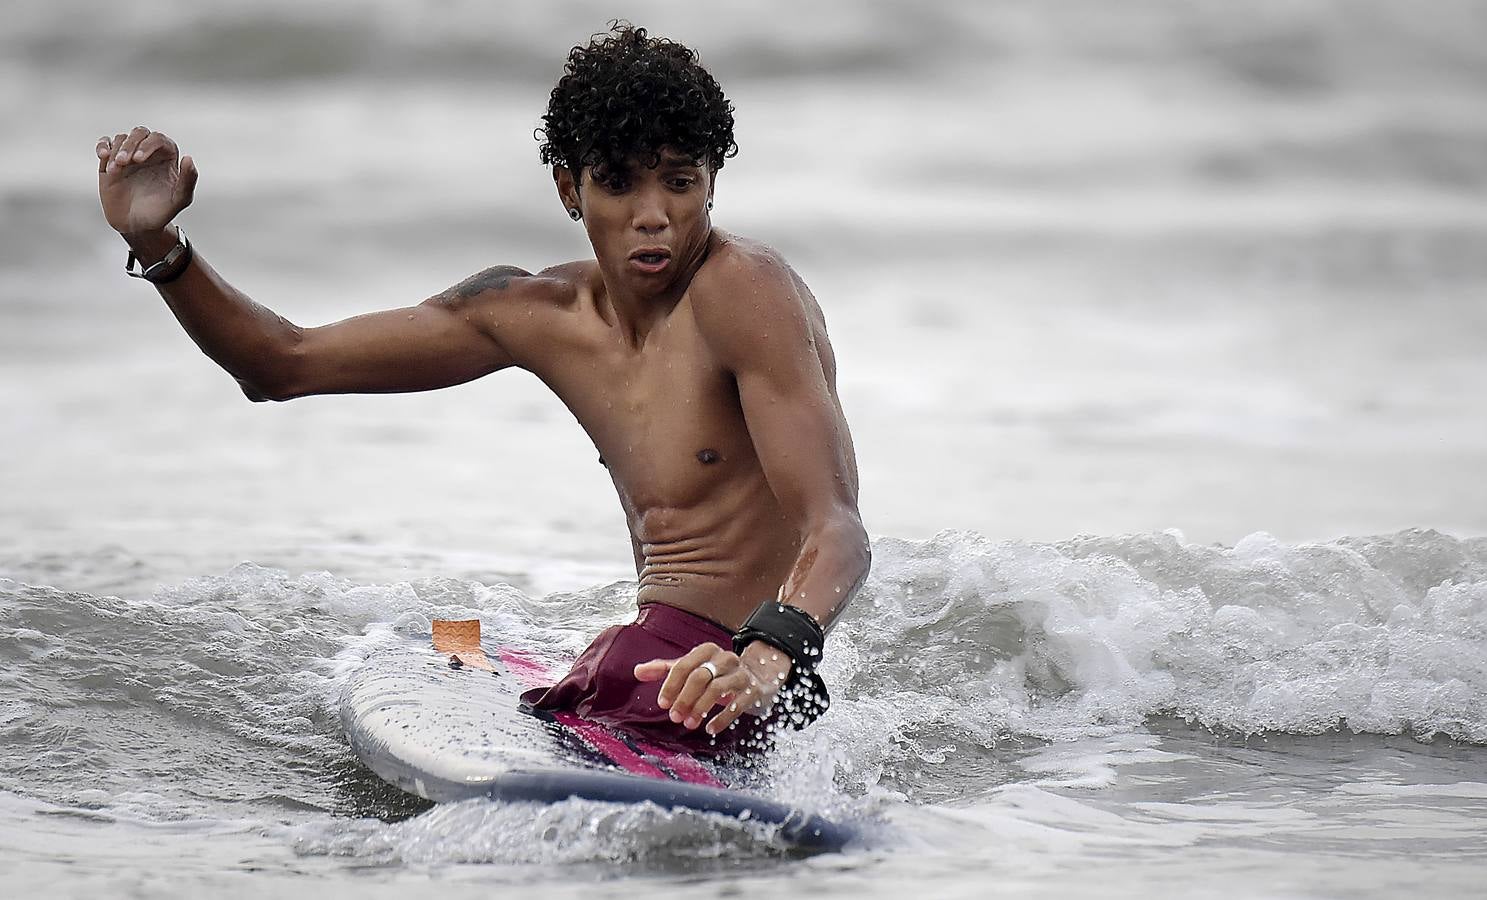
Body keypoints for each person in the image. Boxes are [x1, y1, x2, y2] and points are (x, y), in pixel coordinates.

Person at [94, 23, 869, 755]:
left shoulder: (743, 292)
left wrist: (768, 657)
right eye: (617, 183)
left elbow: (835, 530)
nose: (652, 217)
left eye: (678, 182)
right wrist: (156, 243)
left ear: (711, 182)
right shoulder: (532, 313)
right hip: (655, 667)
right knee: (426, 638)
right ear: (569, 188)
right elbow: (282, 363)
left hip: (732, 683)